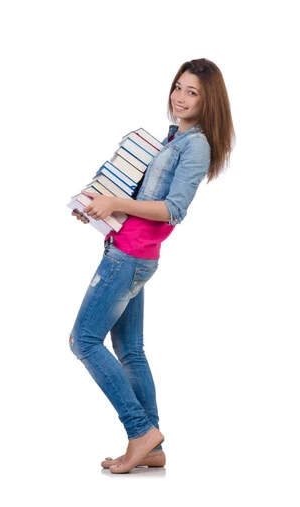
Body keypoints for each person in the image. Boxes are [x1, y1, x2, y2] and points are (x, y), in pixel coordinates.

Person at [69, 58, 234, 474]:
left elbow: (173, 210)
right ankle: (153, 445)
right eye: (178, 86)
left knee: (83, 341)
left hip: (130, 257)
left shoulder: (196, 145)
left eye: (192, 92)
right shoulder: (176, 136)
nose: (180, 97)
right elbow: (142, 194)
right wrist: (97, 209)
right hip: (129, 250)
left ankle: (140, 430)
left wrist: (118, 204)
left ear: (208, 100)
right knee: (130, 349)